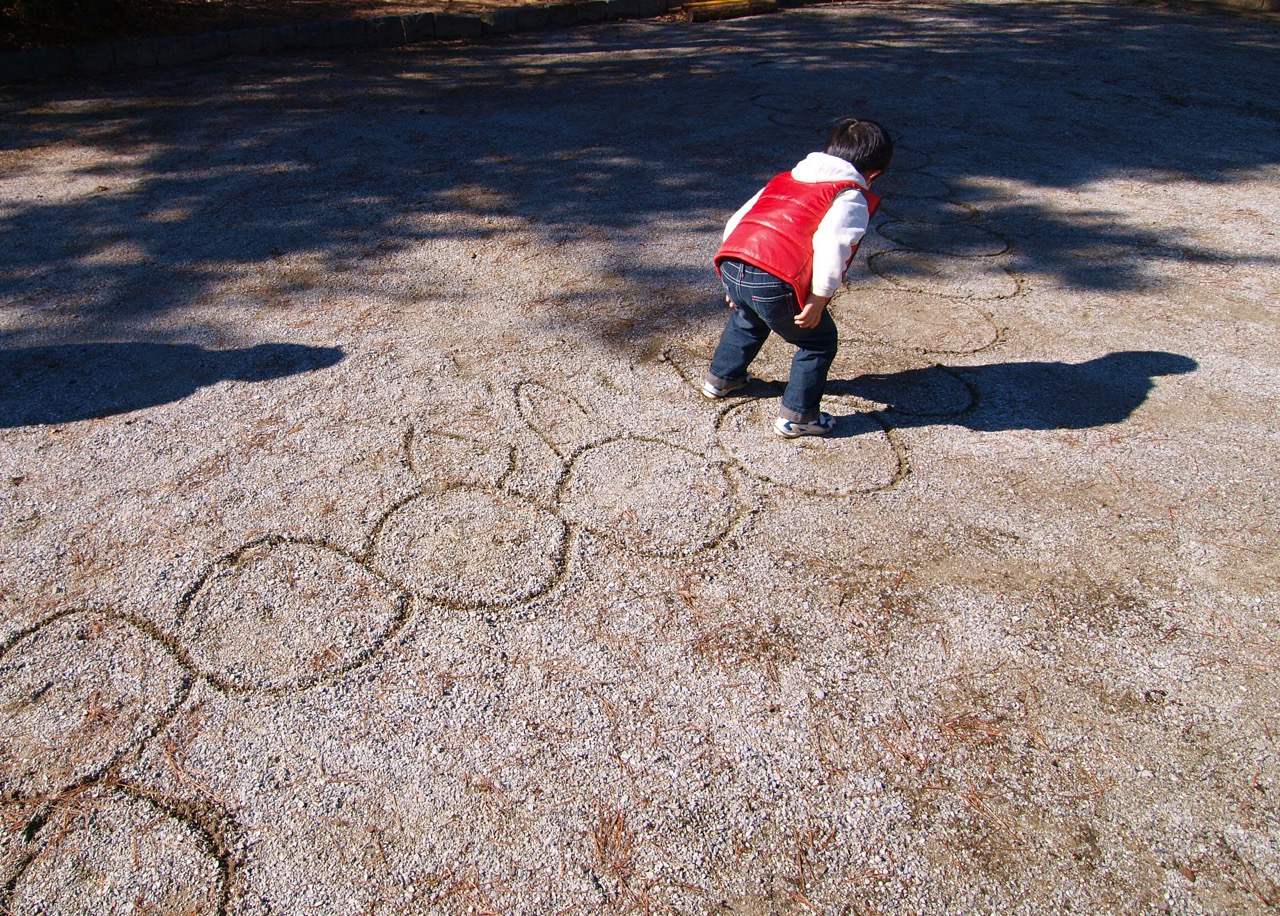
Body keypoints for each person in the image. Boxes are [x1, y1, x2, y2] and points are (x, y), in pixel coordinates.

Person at [702, 118, 892, 437]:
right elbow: (834, 244)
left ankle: (721, 379)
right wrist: (819, 297)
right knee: (818, 341)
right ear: (874, 174)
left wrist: (728, 276)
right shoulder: (849, 195)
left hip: (736, 259)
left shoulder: (785, 178)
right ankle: (799, 415)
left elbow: (739, 219)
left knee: (749, 317)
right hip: (774, 278)